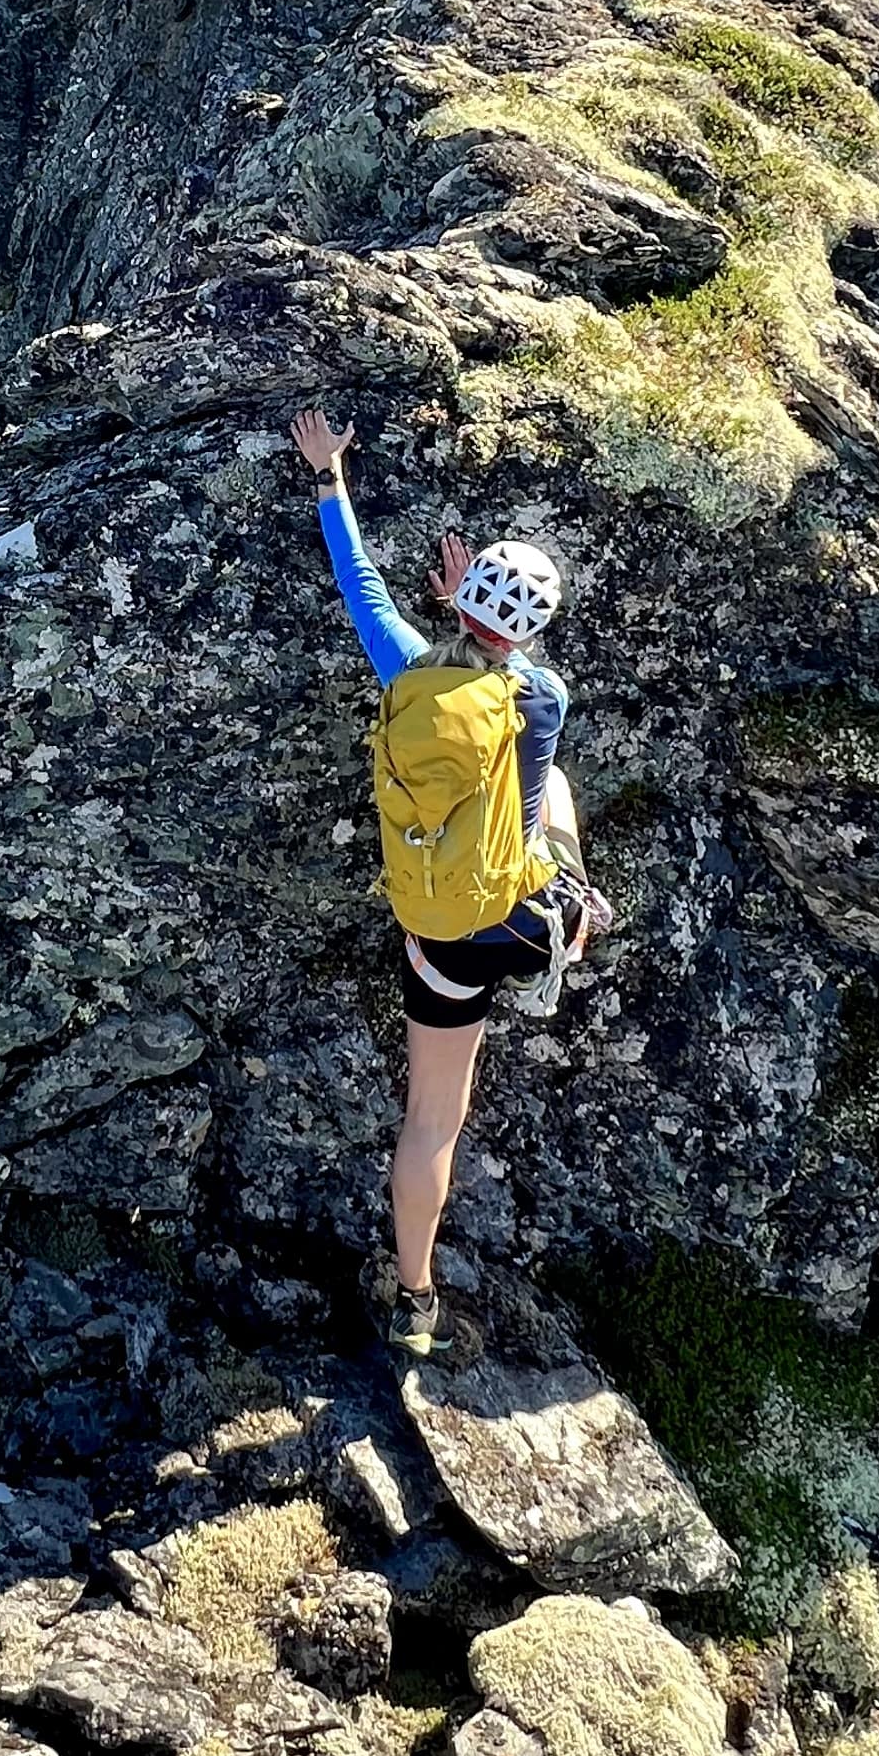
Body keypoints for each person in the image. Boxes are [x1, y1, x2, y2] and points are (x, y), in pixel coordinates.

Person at [290, 406, 604, 1360]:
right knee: (551, 784)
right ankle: (575, 921)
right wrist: (486, 610)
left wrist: (330, 475)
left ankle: (415, 1300)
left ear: (461, 610)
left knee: (432, 1122)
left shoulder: (404, 673)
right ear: (532, 627)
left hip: (438, 934)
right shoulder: (542, 693)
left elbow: (362, 585)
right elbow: (516, 687)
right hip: (520, 919)